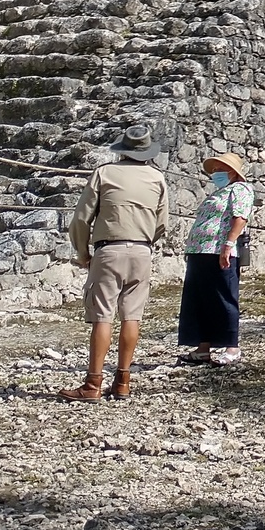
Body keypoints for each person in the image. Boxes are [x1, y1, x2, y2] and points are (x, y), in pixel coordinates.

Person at [60, 123, 170, 402]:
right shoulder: (157, 178)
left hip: (109, 248)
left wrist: (83, 252)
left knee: (102, 316)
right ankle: (123, 380)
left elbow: (81, 219)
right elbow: (162, 223)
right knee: (132, 315)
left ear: (122, 150)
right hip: (142, 250)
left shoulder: (104, 173)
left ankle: (92, 384)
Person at [177, 151, 254, 366]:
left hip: (219, 250)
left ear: (232, 172)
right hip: (200, 250)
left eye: (221, 169)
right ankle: (203, 347)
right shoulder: (219, 192)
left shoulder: (241, 189)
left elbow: (240, 217)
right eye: (215, 170)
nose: (217, 173)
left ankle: (232, 346)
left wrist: (228, 245)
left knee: (223, 296)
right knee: (199, 299)